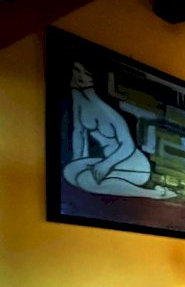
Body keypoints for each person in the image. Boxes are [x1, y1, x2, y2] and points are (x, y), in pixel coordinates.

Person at [62, 62, 173, 199]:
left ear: (91, 78)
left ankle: (151, 193)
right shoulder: (79, 103)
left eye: (84, 72)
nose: (78, 75)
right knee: (69, 172)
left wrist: (105, 165)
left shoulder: (109, 113)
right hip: (108, 161)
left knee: (85, 180)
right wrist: (78, 162)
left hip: (132, 164)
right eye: (76, 71)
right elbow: (79, 133)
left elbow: (128, 146)